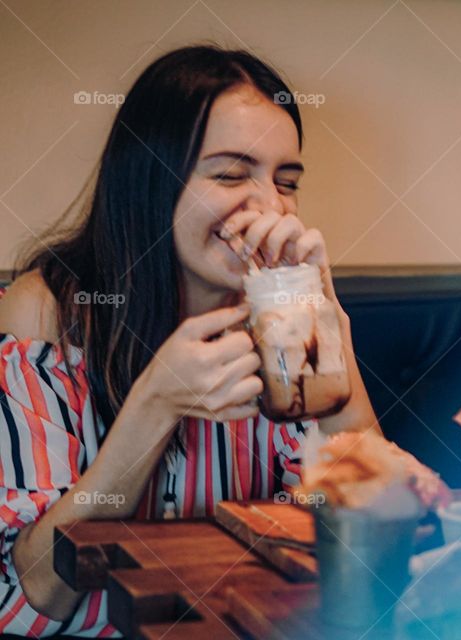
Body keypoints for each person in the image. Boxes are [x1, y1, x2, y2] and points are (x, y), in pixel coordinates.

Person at [0, 46, 379, 635]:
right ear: (149, 180)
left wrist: (328, 335)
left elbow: (370, 538)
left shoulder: (279, 324)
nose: (270, 205)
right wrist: (156, 404)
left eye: (286, 182)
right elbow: (33, 594)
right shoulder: (47, 313)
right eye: (230, 174)